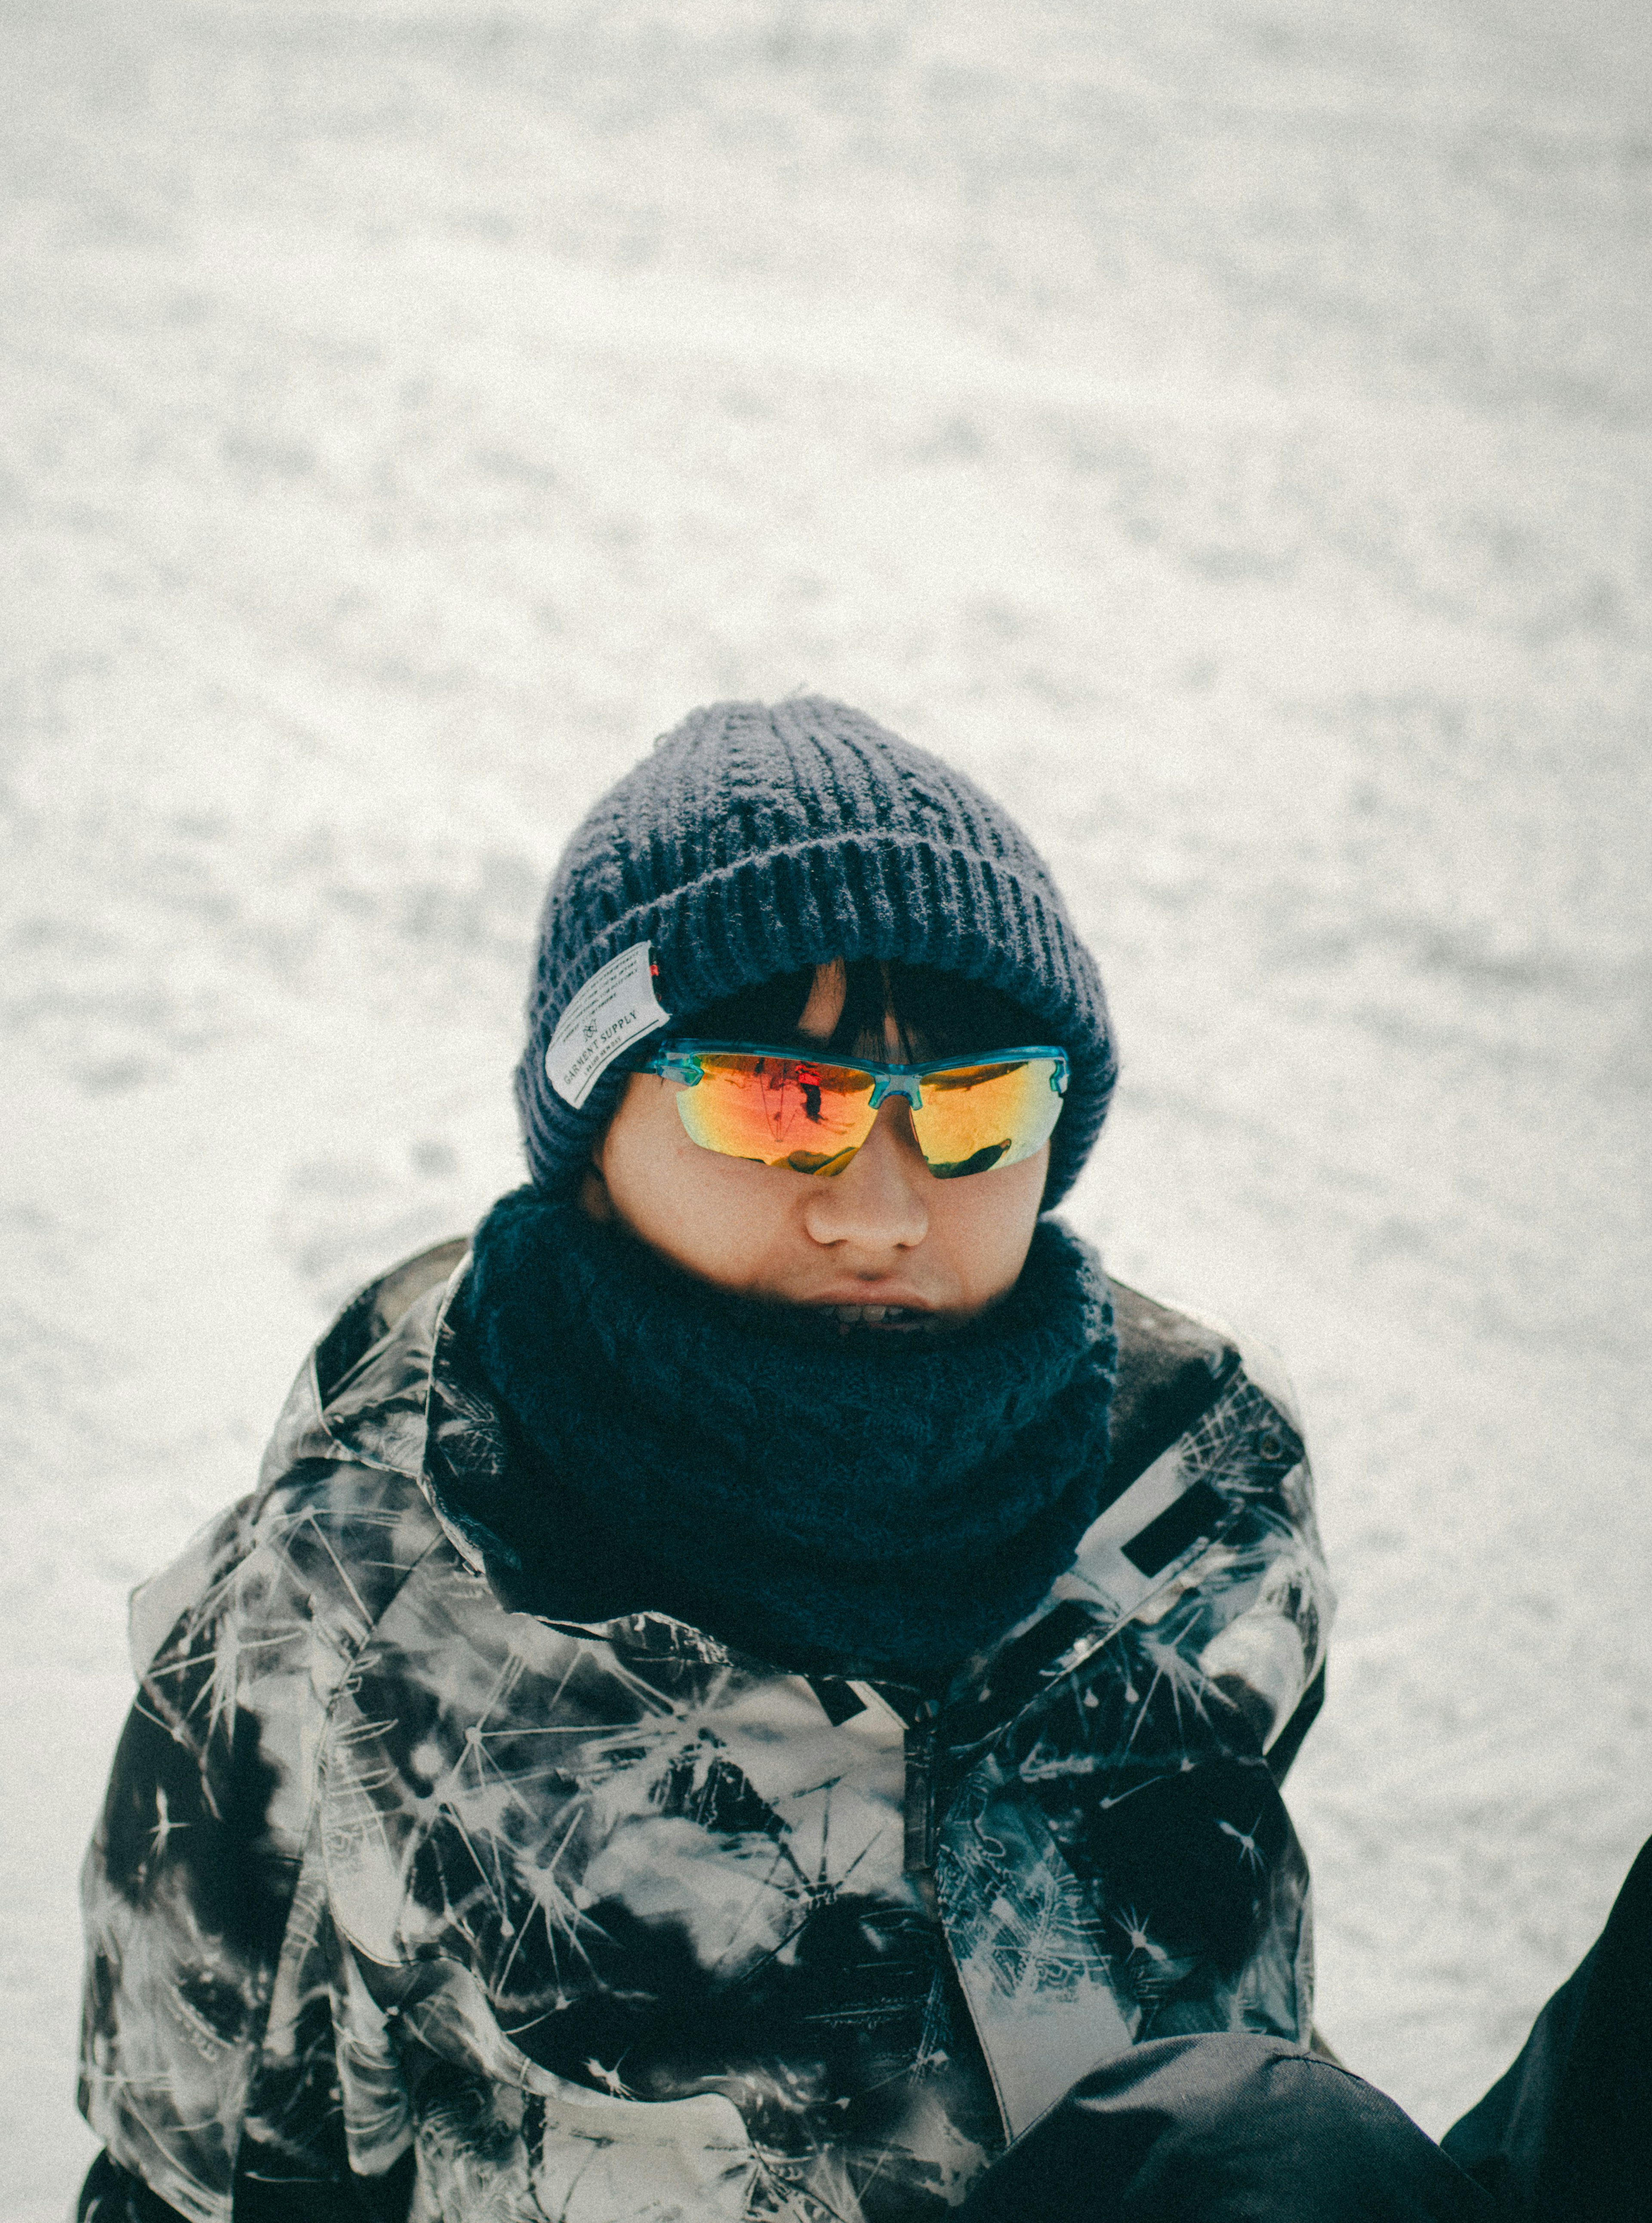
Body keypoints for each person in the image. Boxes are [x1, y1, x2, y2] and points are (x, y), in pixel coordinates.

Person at [73, 698, 1648, 2223]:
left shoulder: (1193, 1487)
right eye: (777, 1105)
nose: (884, 1209)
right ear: (597, 1129)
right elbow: (195, 2176)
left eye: (974, 1113)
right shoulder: (363, 1582)